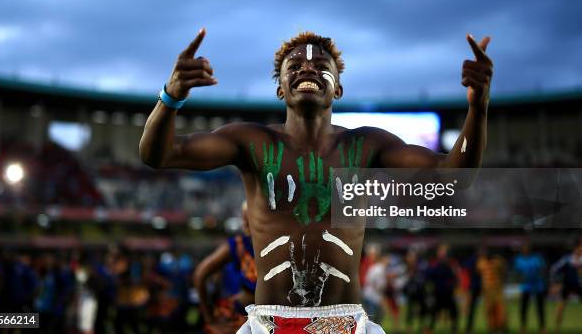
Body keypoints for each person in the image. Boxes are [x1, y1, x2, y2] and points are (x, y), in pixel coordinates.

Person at [139, 28, 493, 333]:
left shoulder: (366, 143)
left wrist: (477, 108)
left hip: (345, 323)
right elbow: (159, 154)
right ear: (280, 88)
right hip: (270, 322)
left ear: (337, 88)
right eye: (294, 66)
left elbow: (454, 176)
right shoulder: (251, 141)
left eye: (321, 66)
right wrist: (170, 97)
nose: (307, 67)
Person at [194, 203, 257, 333]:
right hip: (236, 316)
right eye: (243, 220)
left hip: (265, 319)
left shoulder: (278, 246)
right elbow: (200, 274)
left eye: (248, 220)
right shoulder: (240, 244)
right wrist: (210, 319)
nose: (244, 224)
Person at [550, 238, 582, 334]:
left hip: (580, 286)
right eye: (580, 248)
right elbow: (554, 269)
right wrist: (555, 283)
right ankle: (557, 329)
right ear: (576, 248)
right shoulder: (567, 259)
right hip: (567, 285)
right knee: (560, 307)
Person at [513, 242, 546, 334]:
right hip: (526, 286)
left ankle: (542, 328)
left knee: (540, 308)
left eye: (527, 248)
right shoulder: (518, 259)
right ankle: (523, 327)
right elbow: (516, 273)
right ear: (522, 249)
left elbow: (543, 270)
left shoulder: (537, 258)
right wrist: (520, 278)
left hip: (538, 285)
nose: (526, 249)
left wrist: (541, 277)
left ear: (530, 249)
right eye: (524, 248)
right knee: (523, 308)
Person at [425, 244, 459, 334]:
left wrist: (453, 284)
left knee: (454, 311)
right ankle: (429, 330)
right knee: (434, 313)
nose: (442, 253)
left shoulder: (450, 264)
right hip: (438, 293)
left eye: (444, 252)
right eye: (441, 252)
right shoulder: (434, 264)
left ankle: (454, 329)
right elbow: (428, 276)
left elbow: (454, 277)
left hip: (448, 293)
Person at [476, 247, 507, 333]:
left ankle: (501, 327)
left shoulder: (498, 261)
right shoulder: (481, 262)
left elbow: (503, 272)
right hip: (487, 290)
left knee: (499, 309)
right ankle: (492, 328)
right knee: (489, 310)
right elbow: (478, 273)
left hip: (497, 289)